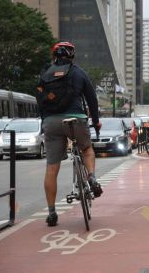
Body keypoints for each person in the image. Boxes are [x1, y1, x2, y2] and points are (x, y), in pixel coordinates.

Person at [39, 42, 102, 227]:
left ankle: (51, 213)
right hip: (76, 118)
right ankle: (91, 177)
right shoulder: (79, 72)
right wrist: (96, 121)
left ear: (54, 55)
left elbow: (40, 100)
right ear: (72, 55)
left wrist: (45, 122)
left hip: (51, 122)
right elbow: (91, 99)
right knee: (87, 149)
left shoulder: (45, 73)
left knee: (52, 168)